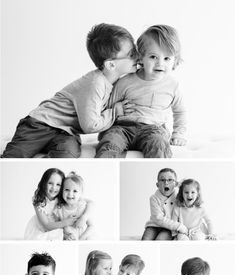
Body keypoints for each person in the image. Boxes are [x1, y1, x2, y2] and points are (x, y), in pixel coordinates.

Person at [1, 23, 137, 158]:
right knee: (14, 156)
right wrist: (115, 112)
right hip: (41, 124)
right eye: (131, 53)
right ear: (111, 64)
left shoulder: (113, 82)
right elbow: (90, 125)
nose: (137, 56)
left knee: (68, 153)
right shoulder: (95, 83)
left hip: (66, 133)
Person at [95, 24, 186, 158]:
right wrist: (116, 109)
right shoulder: (125, 82)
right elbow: (107, 106)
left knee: (159, 145)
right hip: (123, 128)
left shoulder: (172, 86)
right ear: (141, 57)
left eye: (167, 58)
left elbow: (180, 111)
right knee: (110, 143)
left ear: (175, 60)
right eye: (153, 57)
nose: (160, 63)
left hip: (154, 129)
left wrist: (178, 134)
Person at [24, 168, 93, 240]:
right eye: (50, 183)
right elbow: (46, 225)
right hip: (44, 227)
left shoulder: (65, 196)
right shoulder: (39, 200)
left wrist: (84, 218)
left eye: (58, 184)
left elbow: (91, 203)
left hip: (61, 226)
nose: (54, 187)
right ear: (44, 183)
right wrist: (65, 222)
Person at [142, 168, 188, 240]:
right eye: (162, 180)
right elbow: (157, 218)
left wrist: (183, 187)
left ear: (175, 184)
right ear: (157, 185)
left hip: (169, 228)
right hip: (153, 226)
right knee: (146, 240)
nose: (166, 183)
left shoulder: (178, 198)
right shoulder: (154, 198)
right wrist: (178, 226)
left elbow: (188, 205)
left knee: (160, 240)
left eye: (170, 180)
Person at [55, 172, 94, 240]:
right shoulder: (59, 209)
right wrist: (65, 236)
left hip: (84, 239)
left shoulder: (82, 207)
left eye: (75, 191)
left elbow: (92, 226)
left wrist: (82, 238)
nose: (70, 194)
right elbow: (58, 229)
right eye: (67, 190)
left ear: (81, 193)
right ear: (62, 191)